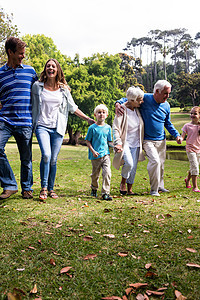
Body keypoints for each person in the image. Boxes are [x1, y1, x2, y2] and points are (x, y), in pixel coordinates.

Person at [32, 58, 95, 200]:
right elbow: (30, 103)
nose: (50, 68)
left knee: (53, 159)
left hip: (58, 129)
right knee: (46, 155)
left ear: (57, 70)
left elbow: (73, 108)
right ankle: (43, 188)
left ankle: (51, 189)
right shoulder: (37, 86)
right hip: (42, 126)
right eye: (48, 66)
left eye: (53, 66)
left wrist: (87, 119)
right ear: (45, 69)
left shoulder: (64, 90)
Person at [116, 80, 182, 196]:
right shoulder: (145, 98)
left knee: (160, 164)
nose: (167, 96)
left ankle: (160, 186)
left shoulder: (166, 105)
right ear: (157, 91)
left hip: (161, 140)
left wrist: (176, 135)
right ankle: (154, 190)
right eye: (165, 93)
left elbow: (168, 123)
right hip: (147, 140)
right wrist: (118, 103)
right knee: (155, 161)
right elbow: (127, 99)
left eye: (168, 93)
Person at [0, 37, 38, 200]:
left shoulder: (30, 72)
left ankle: (27, 188)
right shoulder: (0, 73)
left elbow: (41, 90)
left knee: (26, 158)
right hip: (5, 120)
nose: (23, 56)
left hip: (25, 121)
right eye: (20, 53)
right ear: (10, 52)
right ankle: (9, 185)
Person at [113, 86, 145, 195]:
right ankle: (123, 182)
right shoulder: (121, 109)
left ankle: (130, 189)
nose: (142, 101)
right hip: (125, 142)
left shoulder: (137, 109)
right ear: (132, 100)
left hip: (136, 143)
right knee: (129, 164)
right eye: (139, 100)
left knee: (134, 167)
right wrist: (117, 143)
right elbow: (116, 128)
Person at [85, 104, 113, 200]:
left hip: (106, 155)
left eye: (103, 112)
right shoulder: (92, 128)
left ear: (107, 115)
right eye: (99, 112)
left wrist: (115, 147)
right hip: (95, 156)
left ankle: (105, 193)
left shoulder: (108, 128)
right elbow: (88, 141)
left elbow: (109, 141)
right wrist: (93, 151)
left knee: (107, 173)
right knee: (95, 175)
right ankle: (94, 188)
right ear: (95, 115)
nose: (101, 114)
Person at [180, 106, 200, 192]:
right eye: (191, 113)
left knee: (193, 167)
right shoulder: (187, 126)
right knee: (195, 167)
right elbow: (182, 136)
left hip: (199, 149)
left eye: (195, 113)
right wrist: (180, 139)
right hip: (190, 149)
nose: (192, 115)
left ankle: (187, 180)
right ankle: (195, 187)